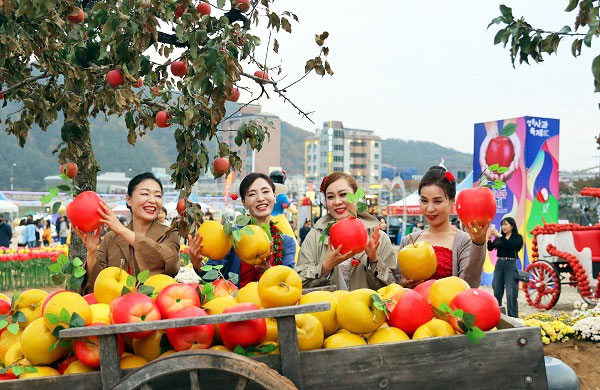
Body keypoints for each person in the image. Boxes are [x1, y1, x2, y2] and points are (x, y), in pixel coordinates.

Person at [77, 172, 181, 295]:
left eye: (158, 196)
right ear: (129, 199)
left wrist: (121, 230)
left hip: (155, 308)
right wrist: (92, 252)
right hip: (116, 309)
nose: (152, 200)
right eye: (145, 194)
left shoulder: (170, 233)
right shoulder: (111, 239)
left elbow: (168, 261)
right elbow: (96, 286)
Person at [188, 173, 296, 287]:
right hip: (235, 302)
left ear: (274, 197)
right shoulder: (232, 236)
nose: (260, 198)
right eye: (252, 194)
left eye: (265, 192)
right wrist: (197, 263)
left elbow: (289, 283)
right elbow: (212, 275)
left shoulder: (286, 242)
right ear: (244, 202)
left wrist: (269, 272)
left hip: (274, 304)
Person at [296, 172, 397, 291]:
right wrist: (324, 268)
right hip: (327, 309)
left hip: (365, 308)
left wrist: (374, 260)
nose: (337, 202)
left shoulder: (378, 237)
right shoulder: (315, 237)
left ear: (356, 197)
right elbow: (298, 284)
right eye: (330, 197)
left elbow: (392, 288)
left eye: (343, 194)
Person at [397, 166, 488, 288]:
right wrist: (403, 284)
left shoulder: (464, 241)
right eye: (424, 201)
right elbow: (396, 288)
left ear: (452, 202)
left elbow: (469, 286)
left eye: (437, 201)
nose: (429, 208)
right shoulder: (408, 241)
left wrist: (479, 244)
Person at [487, 216, 523, 318]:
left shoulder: (517, 238)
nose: (503, 227)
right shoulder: (500, 238)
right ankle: (498, 316)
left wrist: (499, 236)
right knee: (497, 290)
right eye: (502, 224)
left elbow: (511, 246)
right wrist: (489, 239)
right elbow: (490, 248)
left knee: (511, 293)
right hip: (500, 264)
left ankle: (513, 317)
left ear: (512, 226)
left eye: (506, 224)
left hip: (511, 264)